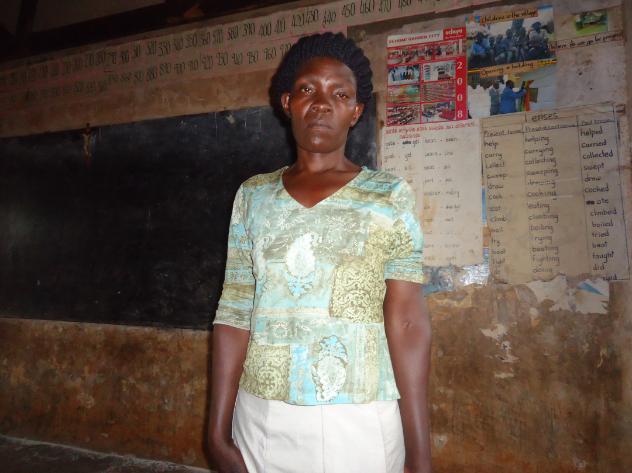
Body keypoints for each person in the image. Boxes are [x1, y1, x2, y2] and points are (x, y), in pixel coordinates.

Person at [208, 32, 432, 473]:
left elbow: (407, 321)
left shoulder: (388, 197)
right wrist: (216, 431)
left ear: (356, 111)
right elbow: (234, 311)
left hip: (359, 417)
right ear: (287, 102)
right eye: (308, 89)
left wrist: (419, 451)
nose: (322, 104)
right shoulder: (253, 196)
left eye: (340, 94)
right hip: (262, 415)